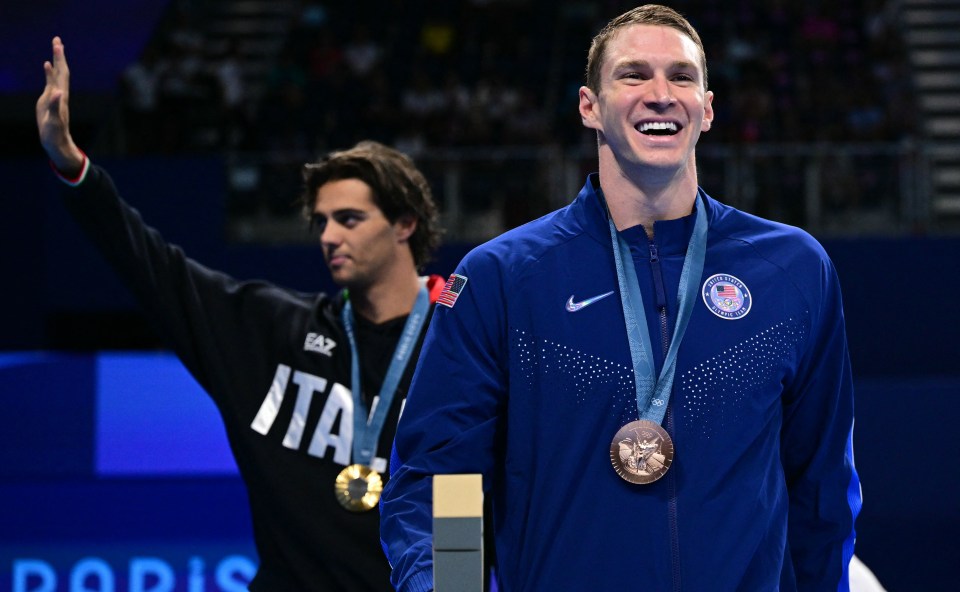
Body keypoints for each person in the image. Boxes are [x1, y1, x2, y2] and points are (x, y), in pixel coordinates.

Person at [380, 5, 861, 591]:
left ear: (706, 109)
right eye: (633, 75)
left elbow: (821, 485)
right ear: (590, 106)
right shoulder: (504, 278)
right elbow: (444, 480)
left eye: (681, 77)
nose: (660, 94)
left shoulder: (792, 269)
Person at [37, 37, 445, 591]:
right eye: (320, 222)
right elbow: (156, 269)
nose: (328, 237)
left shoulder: (458, 343)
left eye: (349, 219)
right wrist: (74, 168)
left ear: (404, 225)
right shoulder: (270, 331)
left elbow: (479, 495)